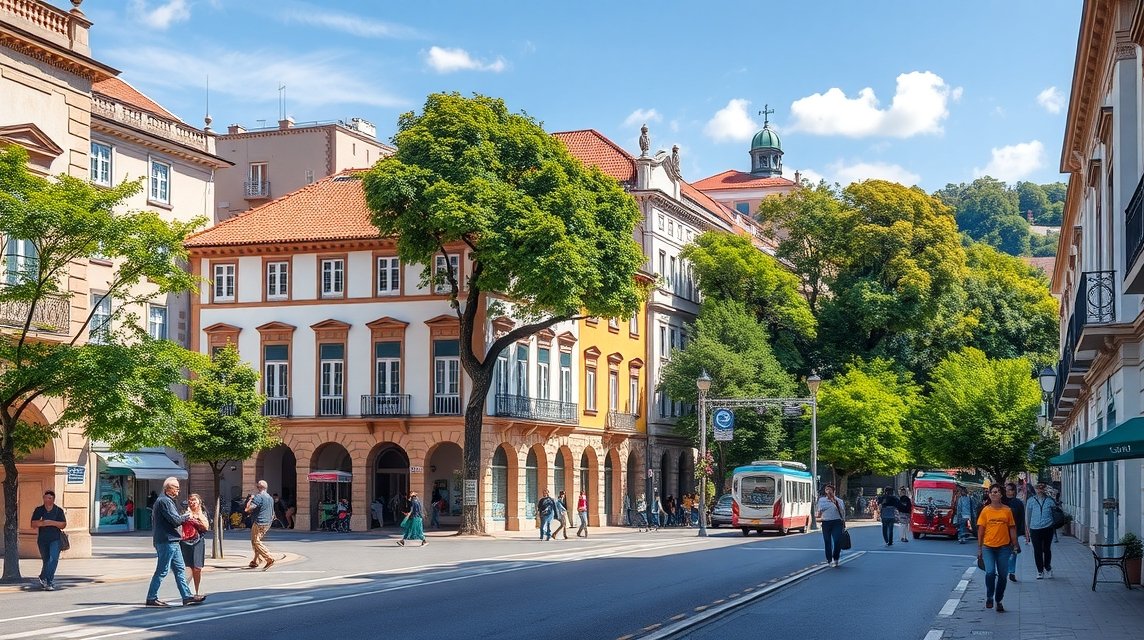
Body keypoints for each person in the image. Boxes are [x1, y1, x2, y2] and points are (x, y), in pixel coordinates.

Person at [146, 477, 205, 607]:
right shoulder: (164, 501)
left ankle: (187, 596)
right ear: (168, 489)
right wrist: (186, 516)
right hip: (167, 540)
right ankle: (151, 597)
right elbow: (175, 520)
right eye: (176, 488)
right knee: (162, 570)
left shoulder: (167, 501)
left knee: (179, 570)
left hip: (173, 540)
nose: (178, 491)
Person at [977, 485, 1019, 612]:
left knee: (1002, 576)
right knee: (990, 572)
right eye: (992, 492)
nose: (994, 494)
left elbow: (1012, 528)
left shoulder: (1007, 510)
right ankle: (990, 596)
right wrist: (979, 548)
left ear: (1001, 495)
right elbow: (980, 531)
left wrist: (1015, 544)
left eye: (997, 492)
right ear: (989, 495)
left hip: (1004, 548)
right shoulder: (985, 511)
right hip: (988, 547)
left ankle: (998, 599)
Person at [31, 490, 66, 591]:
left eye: (49, 498)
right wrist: (42, 523)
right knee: (46, 561)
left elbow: (63, 524)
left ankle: (49, 581)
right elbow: (33, 524)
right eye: (45, 498)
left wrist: (51, 522)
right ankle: (42, 577)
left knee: (53, 559)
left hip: (55, 539)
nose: (47, 500)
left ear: (53, 499)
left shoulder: (58, 511)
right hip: (42, 539)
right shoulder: (39, 510)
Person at [180, 493, 210, 597]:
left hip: (198, 541)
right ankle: (186, 592)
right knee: (188, 567)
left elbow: (206, 527)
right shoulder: (184, 512)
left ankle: (197, 591)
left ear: (199, 502)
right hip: (185, 542)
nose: (192, 502)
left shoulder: (203, 513)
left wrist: (197, 517)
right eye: (190, 500)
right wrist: (188, 515)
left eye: (194, 500)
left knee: (197, 568)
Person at [245, 480, 278, 570]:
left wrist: (250, 499)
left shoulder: (258, 497)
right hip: (267, 523)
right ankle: (256, 561)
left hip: (259, 522)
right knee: (255, 541)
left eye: (257, 487)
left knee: (256, 541)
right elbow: (272, 511)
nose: (257, 488)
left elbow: (248, 509)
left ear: (259, 488)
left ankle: (269, 558)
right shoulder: (270, 498)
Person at [1026, 481, 1057, 579]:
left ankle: (1047, 567)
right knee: (1037, 550)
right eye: (1038, 488)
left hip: (1048, 527)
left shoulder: (1049, 500)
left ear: (1044, 489)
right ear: (1035, 489)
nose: (1040, 490)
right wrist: (1027, 529)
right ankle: (1039, 571)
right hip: (1034, 528)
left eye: (1042, 488)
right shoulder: (1031, 500)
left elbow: (1055, 512)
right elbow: (1028, 515)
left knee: (1046, 549)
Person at [816, 484, 846, 567]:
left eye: (829, 489)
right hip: (826, 522)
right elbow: (819, 511)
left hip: (837, 522)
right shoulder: (822, 500)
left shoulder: (839, 501)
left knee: (837, 541)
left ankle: (835, 558)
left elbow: (842, 511)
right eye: (826, 490)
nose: (828, 491)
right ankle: (829, 559)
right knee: (827, 541)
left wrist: (833, 500)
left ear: (833, 491)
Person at [1004, 482, 1026, 583]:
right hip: (1001, 530)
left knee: (1013, 551)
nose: (1008, 492)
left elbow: (1022, 518)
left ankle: (1011, 572)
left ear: (1014, 491)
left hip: (1014, 530)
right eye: (1006, 489)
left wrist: (1023, 532)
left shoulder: (1018, 503)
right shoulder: (1001, 502)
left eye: (1010, 490)